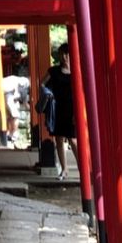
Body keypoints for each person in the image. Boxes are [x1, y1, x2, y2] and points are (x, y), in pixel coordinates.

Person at [39, 44, 79, 180]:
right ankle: (64, 169)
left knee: (73, 140)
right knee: (59, 139)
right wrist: (47, 93)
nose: (64, 57)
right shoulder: (54, 71)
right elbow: (42, 83)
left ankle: (83, 168)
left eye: (67, 54)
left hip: (72, 108)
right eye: (62, 54)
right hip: (57, 108)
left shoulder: (76, 71)